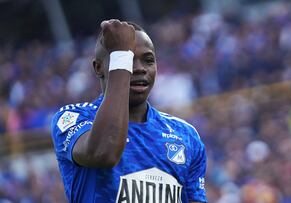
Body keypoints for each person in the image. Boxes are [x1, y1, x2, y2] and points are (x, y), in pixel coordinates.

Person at [50, 19, 207, 203]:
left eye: (148, 60)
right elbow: (104, 153)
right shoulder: (73, 118)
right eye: (128, 59)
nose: (140, 68)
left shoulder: (185, 135)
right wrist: (120, 60)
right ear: (99, 68)